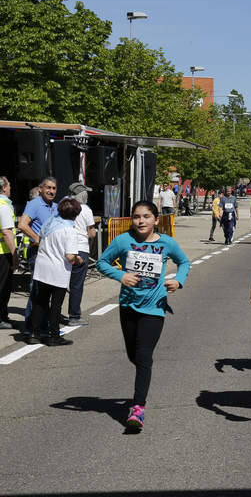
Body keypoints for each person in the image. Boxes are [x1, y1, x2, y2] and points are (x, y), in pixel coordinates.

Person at [97, 201, 191, 429]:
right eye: (136, 216)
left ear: (156, 220)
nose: (141, 221)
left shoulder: (166, 243)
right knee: (134, 355)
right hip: (128, 306)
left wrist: (178, 281)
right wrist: (121, 276)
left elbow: (184, 262)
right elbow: (102, 262)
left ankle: (138, 408)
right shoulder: (122, 241)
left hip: (154, 308)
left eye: (146, 216)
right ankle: (141, 377)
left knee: (144, 356)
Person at [29, 198, 83, 346]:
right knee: (56, 304)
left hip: (42, 267)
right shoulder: (70, 230)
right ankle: (54, 335)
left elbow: (39, 239)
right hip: (58, 270)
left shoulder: (50, 223)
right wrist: (78, 259)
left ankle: (34, 333)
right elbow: (69, 256)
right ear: (75, 214)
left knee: (40, 301)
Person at [18, 176, 58, 340]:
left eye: (54, 188)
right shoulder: (34, 204)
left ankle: (43, 326)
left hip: (52, 254)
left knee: (47, 290)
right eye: (48, 187)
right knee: (37, 290)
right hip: (38, 254)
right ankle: (29, 328)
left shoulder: (55, 207)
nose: (51, 191)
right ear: (40, 189)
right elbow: (22, 224)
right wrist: (36, 238)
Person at [66, 182, 96, 327]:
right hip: (80, 249)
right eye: (86, 193)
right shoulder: (85, 209)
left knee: (60, 284)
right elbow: (91, 232)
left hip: (65, 249)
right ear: (82, 194)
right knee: (76, 285)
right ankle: (74, 316)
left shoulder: (63, 207)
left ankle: (51, 316)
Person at [0, 176, 16, 330]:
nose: (10, 188)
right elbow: (6, 232)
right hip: (3, 252)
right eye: (9, 185)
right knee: (3, 287)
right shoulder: (4, 206)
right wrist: (14, 254)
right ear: (4, 188)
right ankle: (1, 318)